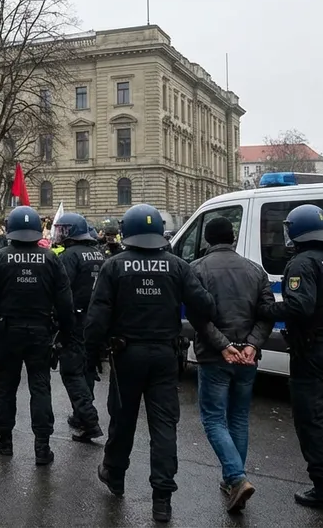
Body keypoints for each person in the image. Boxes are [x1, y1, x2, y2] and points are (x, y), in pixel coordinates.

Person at [85, 203, 216, 523]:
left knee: (123, 419)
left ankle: (114, 475)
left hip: (126, 355)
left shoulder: (114, 266)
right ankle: (162, 499)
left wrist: (90, 354)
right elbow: (205, 306)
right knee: (163, 425)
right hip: (164, 356)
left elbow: (97, 316)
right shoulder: (177, 266)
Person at [257, 204, 323, 511]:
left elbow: (300, 306)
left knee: (310, 420)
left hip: (312, 350)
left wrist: (266, 310)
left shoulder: (302, 263)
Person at [0, 206, 74, 466]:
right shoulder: (51, 259)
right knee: (40, 387)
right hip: (41, 333)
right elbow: (64, 301)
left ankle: (5, 441)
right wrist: (67, 332)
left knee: (5, 387)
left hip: (7, 333)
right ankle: (42, 447)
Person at [189, 217, 275, 513]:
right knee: (238, 418)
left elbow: (199, 319)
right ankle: (232, 480)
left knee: (214, 419)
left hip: (216, 356)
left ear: (208, 241)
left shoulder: (197, 268)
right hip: (247, 357)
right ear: (232, 238)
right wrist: (251, 345)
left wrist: (225, 346)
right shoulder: (255, 270)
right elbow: (268, 313)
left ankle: (236, 478)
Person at [50, 211, 107, 442]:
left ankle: (89, 420)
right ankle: (79, 414)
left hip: (75, 321)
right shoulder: (98, 254)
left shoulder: (68, 256)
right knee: (88, 369)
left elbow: (61, 292)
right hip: (96, 321)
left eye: (63, 230)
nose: (60, 234)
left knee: (72, 371)